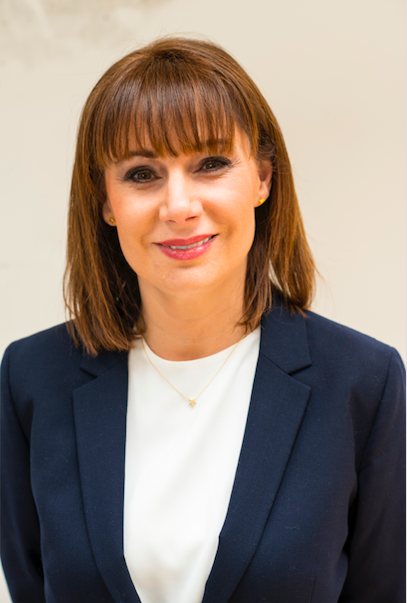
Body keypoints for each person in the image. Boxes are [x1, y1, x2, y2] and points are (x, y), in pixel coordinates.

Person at [1, 36, 405, 603]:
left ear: (263, 178)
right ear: (105, 200)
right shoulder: (31, 377)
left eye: (210, 164)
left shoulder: (364, 381)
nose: (179, 207)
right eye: (142, 174)